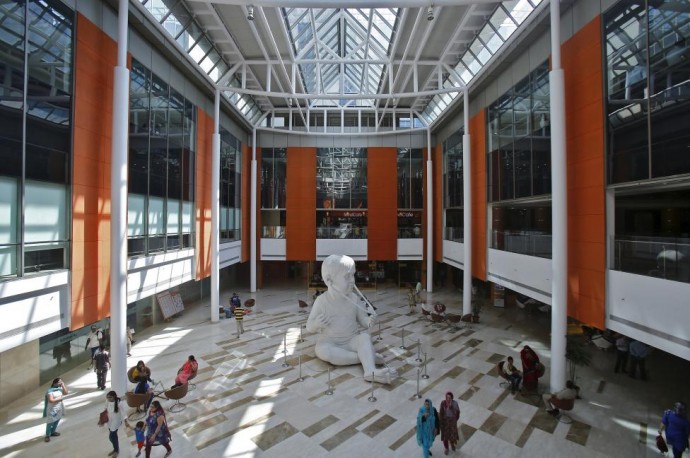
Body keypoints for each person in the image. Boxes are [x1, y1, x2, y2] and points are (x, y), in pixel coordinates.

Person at [306, 254, 393, 384]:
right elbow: (309, 326)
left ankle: (370, 370)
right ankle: (367, 358)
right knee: (324, 351)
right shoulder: (321, 301)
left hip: (351, 340)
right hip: (330, 341)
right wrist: (317, 324)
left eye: (353, 275)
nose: (353, 280)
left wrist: (369, 321)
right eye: (347, 276)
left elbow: (363, 321)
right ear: (329, 280)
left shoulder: (354, 298)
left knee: (364, 338)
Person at [43, 377, 68, 442]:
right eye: (60, 382)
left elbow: (66, 393)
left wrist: (63, 385)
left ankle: (53, 432)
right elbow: (51, 400)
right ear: (55, 383)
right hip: (52, 409)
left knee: (57, 419)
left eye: (61, 381)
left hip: (59, 407)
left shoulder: (59, 389)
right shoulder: (50, 391)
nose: (61, 383)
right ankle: (47, 435)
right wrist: (59, 399)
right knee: (50, 422)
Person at [101, 391, 123, 457]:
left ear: (114, 396)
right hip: (110, 421)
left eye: (110, 397)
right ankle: (115, 449)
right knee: (114, 436)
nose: (108, 398)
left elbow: (123, 413)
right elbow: (105, 408)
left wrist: (126, 422)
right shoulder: (107, 401)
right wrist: (102, 419)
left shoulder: (119, 403)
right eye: (107, 397)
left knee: (111, 437)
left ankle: (116, 450)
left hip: (116, 421)